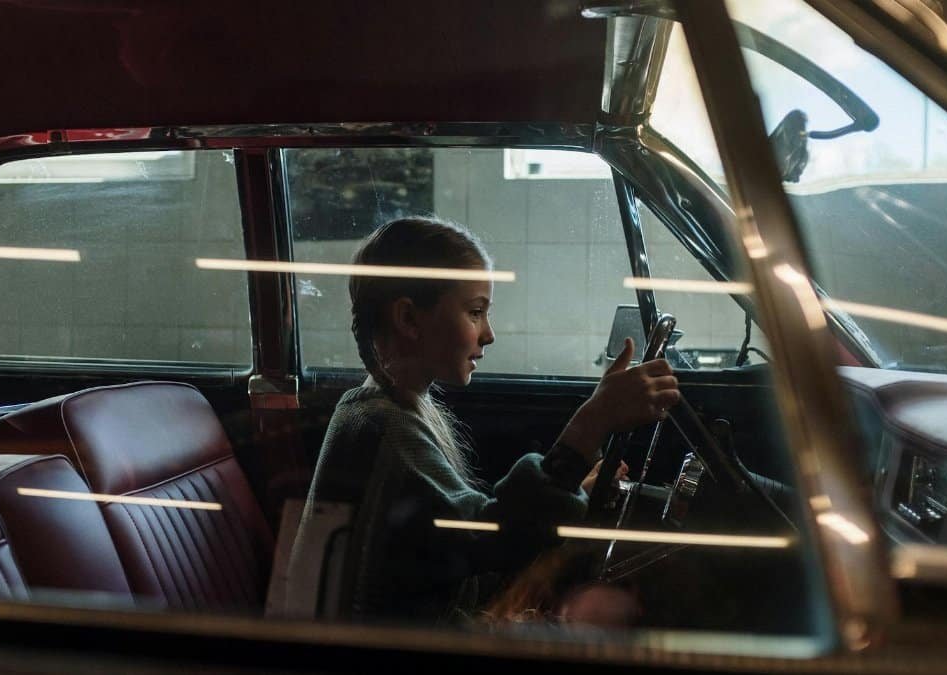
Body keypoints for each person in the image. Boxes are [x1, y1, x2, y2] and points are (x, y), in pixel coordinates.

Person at [291, 216, 680, 624]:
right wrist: (591, 423)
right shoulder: (382, 427)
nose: (489, 334)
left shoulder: (392, 411)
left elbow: (469, 538)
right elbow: (492, 535)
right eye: (475, 312)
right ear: (408, 319)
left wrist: (573, 485)